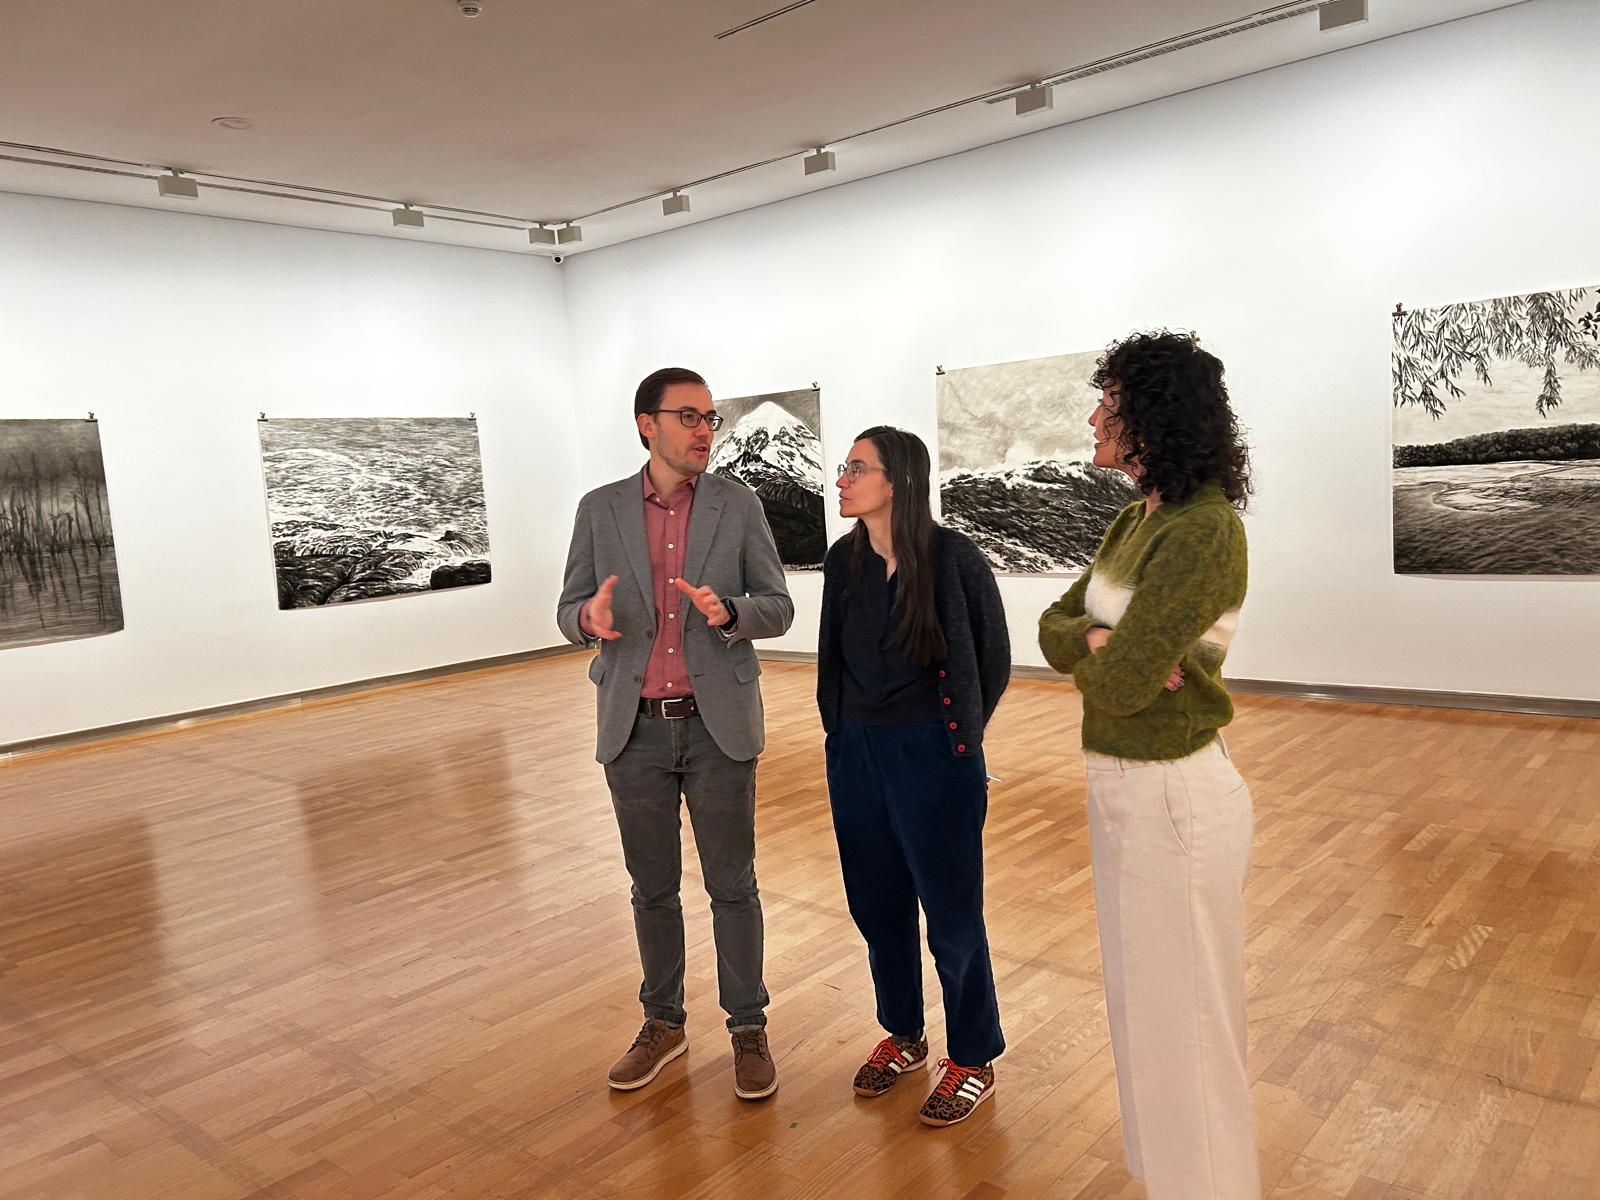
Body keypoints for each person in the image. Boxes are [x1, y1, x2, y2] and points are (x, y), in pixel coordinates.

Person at [1038, 331, 1259, 1198]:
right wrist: (1099, 638)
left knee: (1190, 1024)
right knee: (1145, 1008)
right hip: (1123, 785)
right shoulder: (1137, 519)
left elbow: (1127, 685)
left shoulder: (1205, 530)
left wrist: (1108, 654)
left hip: (1174, 792)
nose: (1095, 416)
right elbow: (1057, 627)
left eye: (1111, 404)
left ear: (1153, 418)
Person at [557, 366, 795, 1100]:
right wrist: (585, 623)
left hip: (718, 726)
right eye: (688, 416)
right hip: (634, 731)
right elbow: (568, 608)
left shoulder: (739, 504)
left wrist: (730, 613)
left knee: (733, 886)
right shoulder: (600, 510)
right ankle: (662, 1021)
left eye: (710, 418)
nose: (703, 431)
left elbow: (778, 606)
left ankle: (747, 1027)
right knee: (651, 889)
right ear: (645, 424)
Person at [816, 425, 1010, 1128]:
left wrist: (957, 742)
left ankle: (973, 1057)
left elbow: (990, 659)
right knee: (877, 908)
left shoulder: (954, 557)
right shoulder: (844, 562)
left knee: (953, 918)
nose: (841, 478)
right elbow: (833, 658)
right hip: (858, 753)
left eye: (856, 468)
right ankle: (904, 1035)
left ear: (895, 479)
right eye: (844, 467)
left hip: (934, 753)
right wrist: (840, 736)